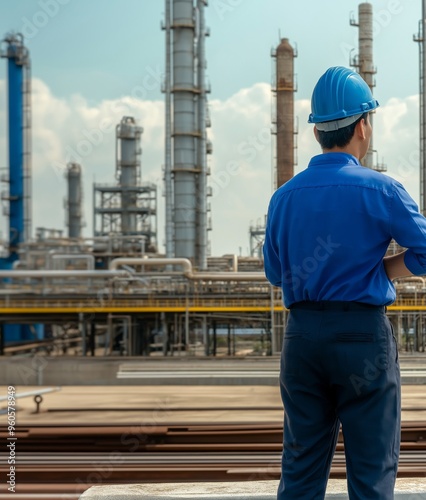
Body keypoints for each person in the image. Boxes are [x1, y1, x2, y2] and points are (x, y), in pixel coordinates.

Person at [263, 66, 426, 499]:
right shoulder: (382, 190)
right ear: (363, 126)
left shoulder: (284, 197)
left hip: (303, 340)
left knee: (300, 472)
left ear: (317, 132)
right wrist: (384, 269)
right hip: (361, 339)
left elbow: (277, 275)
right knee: (372, 473)